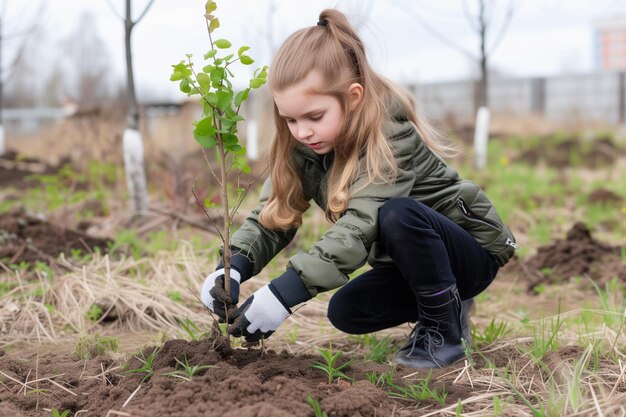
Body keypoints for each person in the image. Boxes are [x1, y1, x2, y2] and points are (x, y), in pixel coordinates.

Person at [200, 9, 517, 368]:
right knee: (348, 312)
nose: (302, 131)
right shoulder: (306, 147)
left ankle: (444, 330)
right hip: (411, 264)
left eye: (314, 117)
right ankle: (447, 304)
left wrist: (283, 294)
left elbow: (359, 226)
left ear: (353, 97)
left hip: (469, 250)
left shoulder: (390, 137)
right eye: (290, 119)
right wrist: (234, 267)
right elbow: (275, 213)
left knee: (398, 214)